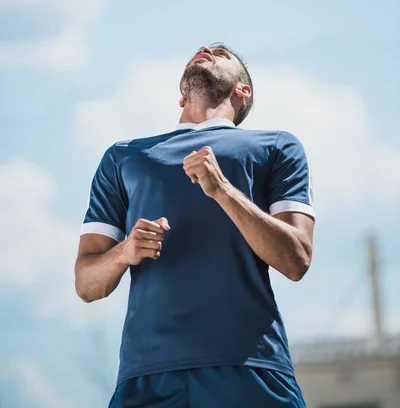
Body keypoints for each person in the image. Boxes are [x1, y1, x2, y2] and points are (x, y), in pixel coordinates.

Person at [75, 43, 315, 408]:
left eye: (221, 53)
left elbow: (296, 259)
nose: (205, 49)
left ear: (242, 90)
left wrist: (223, 191)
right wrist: (124, 252)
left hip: (250, 368)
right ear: (180, 98)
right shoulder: (123, 157)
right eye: (203, 49)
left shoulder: (277, 147)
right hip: (147, 377)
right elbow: (86, 285)